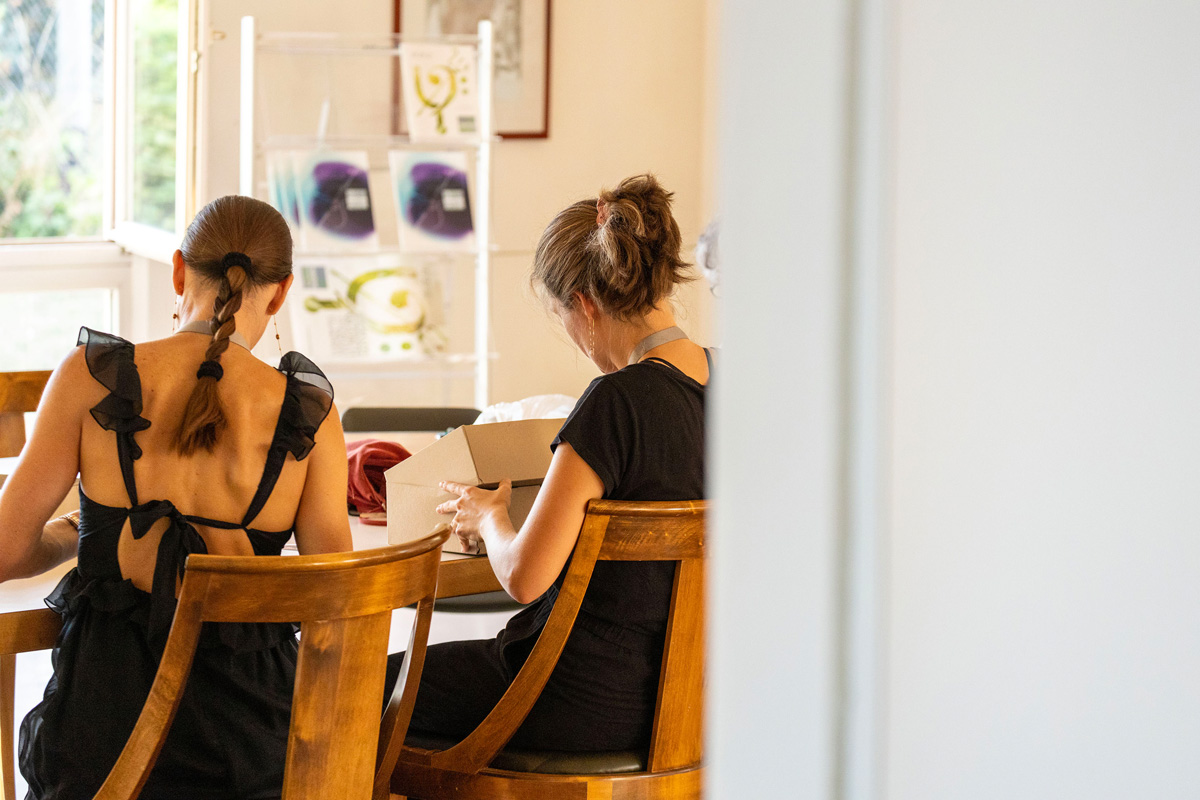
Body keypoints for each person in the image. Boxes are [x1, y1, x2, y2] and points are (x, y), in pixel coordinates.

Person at [0, 195, 352, 798]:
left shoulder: (92, 376)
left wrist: (70, 536)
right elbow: (338, 597)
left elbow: (5, 550)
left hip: (104, 731)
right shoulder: (306, 414)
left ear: (179, 271)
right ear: (281, 293)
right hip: (249, 742)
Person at [385, 173, 710, 752]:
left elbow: (524, 577)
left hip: (575, 700)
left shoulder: (616, 402)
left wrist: (490, 517)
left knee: (353, 677)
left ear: (584, 306)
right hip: (695, 706)